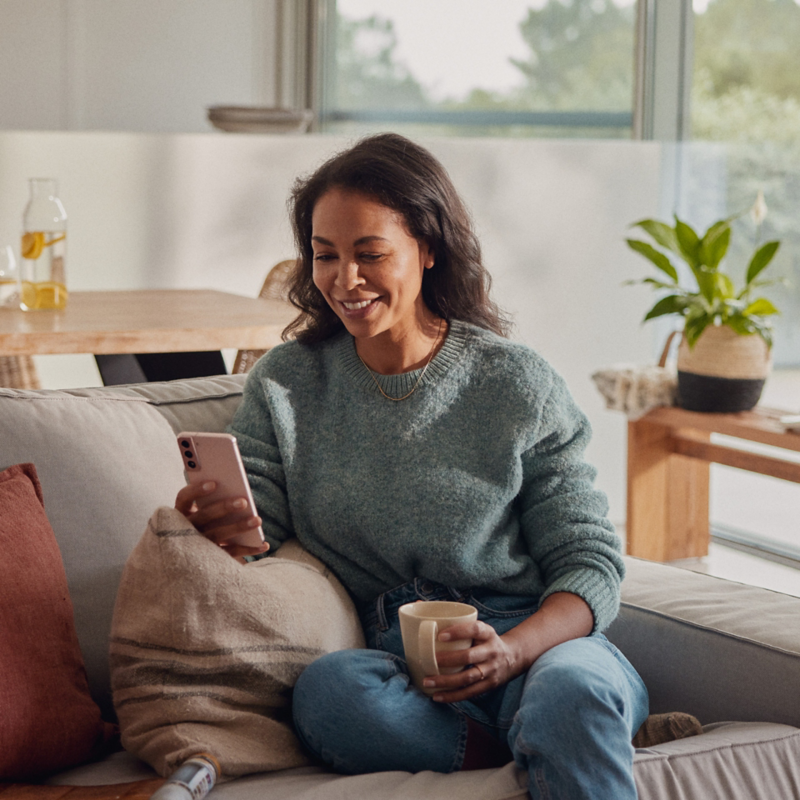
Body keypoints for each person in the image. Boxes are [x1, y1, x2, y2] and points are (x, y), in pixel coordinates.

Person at [174, 132, 649, 799]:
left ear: (427, 250)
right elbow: (262, 534)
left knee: (574, 690)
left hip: (535, 642)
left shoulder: (516, 384)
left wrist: (511, 652)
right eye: (324, 255)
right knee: (328, 696)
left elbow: (589, 562)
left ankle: (558, 721)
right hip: (398, 666)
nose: (345, 280)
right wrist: (219, 525)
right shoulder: (287, 382)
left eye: (370, 254)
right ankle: (517, 740)